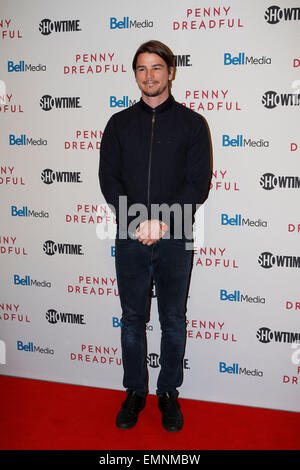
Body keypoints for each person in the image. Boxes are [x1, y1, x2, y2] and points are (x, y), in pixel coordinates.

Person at [99, 40, 211, 432]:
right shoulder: (117, 124)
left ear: (170, 72)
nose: (149, 76)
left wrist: (161, 222)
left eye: (156, 68)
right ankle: (134, 392)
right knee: (132, 319)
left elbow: (197, 184)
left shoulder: (193, 124)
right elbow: (107, 180)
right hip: (130, 237)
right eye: (142, 69)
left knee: (173, 320)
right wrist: (137, 223)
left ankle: (168, 394)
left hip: (176, 233)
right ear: (135, 74)